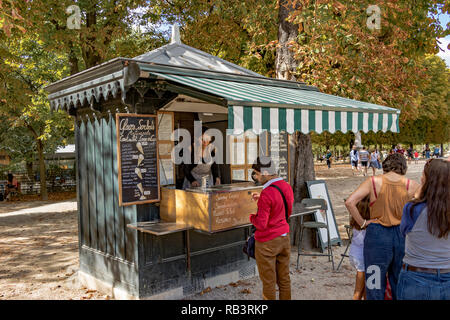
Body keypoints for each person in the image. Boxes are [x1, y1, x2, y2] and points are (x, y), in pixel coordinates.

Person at [344, 153, 420, 300]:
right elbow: (426, 206)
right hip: (401, 235)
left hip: (377, 236)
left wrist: (363, 223)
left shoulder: (373, 181)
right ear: (403, 167)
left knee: (374, 281)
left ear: (385, 165)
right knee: (399, 280)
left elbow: (350, 202)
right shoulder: (412, 185)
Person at [398, 159, 450, 300]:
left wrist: (420, 192)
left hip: (416, 275)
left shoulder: (412, 209)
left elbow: (403, 232)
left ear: (427, 180)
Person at [249, 156, 294, 300]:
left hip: (267, 242)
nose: (255, 177)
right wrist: (261, 200)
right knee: (284, 279)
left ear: (266, 172)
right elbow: (285, 210)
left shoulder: (267, 192)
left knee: (268, 282)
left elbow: (261, 224)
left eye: (256, 173)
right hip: (284, 236)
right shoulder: (286, 186)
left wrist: (250, 217)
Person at [348, 195, 371, 300]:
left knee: (365, 289)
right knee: (358, 292)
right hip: (362, 259)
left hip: (354, 254)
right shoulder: (368, 225)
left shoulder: (357, 221)